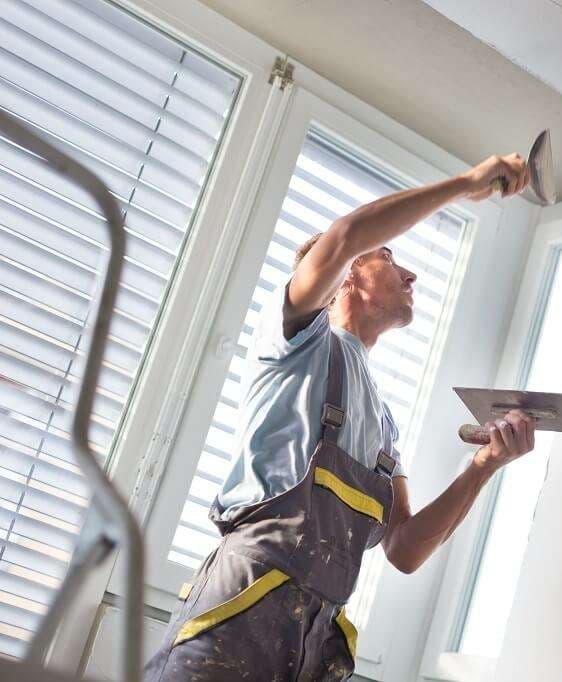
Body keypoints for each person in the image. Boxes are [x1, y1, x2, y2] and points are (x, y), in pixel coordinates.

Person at [145, 153, 538, 681]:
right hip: (241, 612)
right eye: (389, 255)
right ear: (350, 271)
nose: (411, 273)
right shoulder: (295, 342)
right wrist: (466, 184)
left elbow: (404, 548)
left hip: (313, 643)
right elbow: (347, 233)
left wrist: (484, 465)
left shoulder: (383, 422)